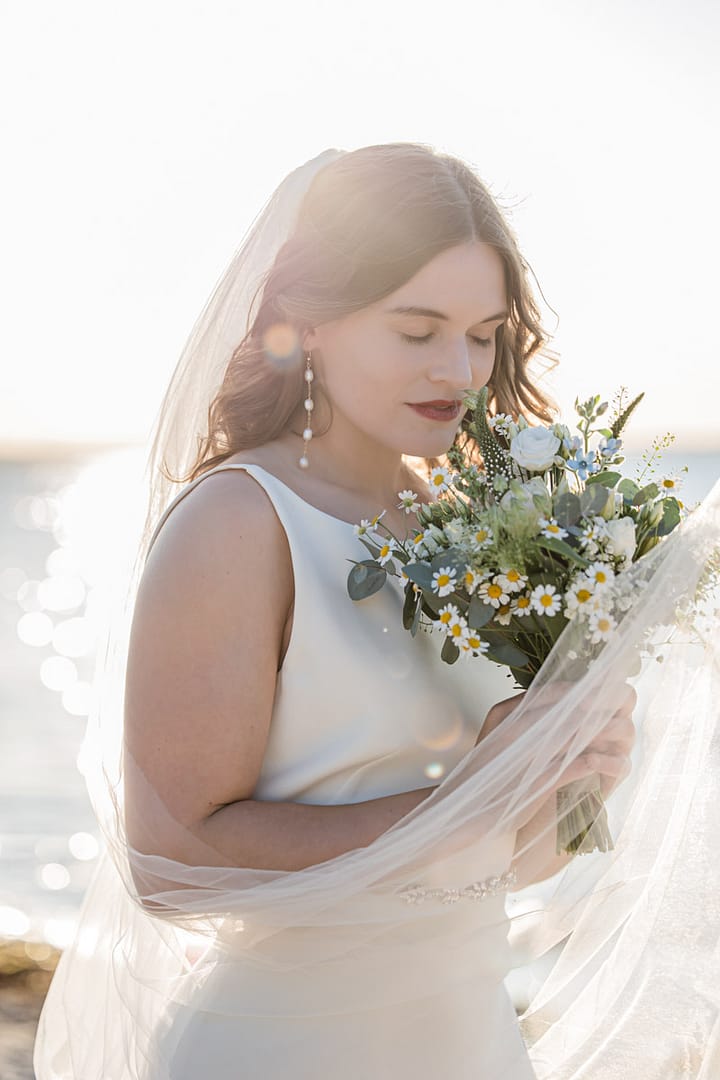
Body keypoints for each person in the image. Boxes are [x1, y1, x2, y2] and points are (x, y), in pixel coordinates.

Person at [34, 144, 720, 1079]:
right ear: (308, 323)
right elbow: (172, 861)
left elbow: (495, 869)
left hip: (469, 1044)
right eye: (417, 329)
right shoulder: (241, 522)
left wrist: (565, 785)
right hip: (281, 1047)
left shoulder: (477, 529)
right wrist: (475, 788)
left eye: (484, 333)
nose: (461, 368)